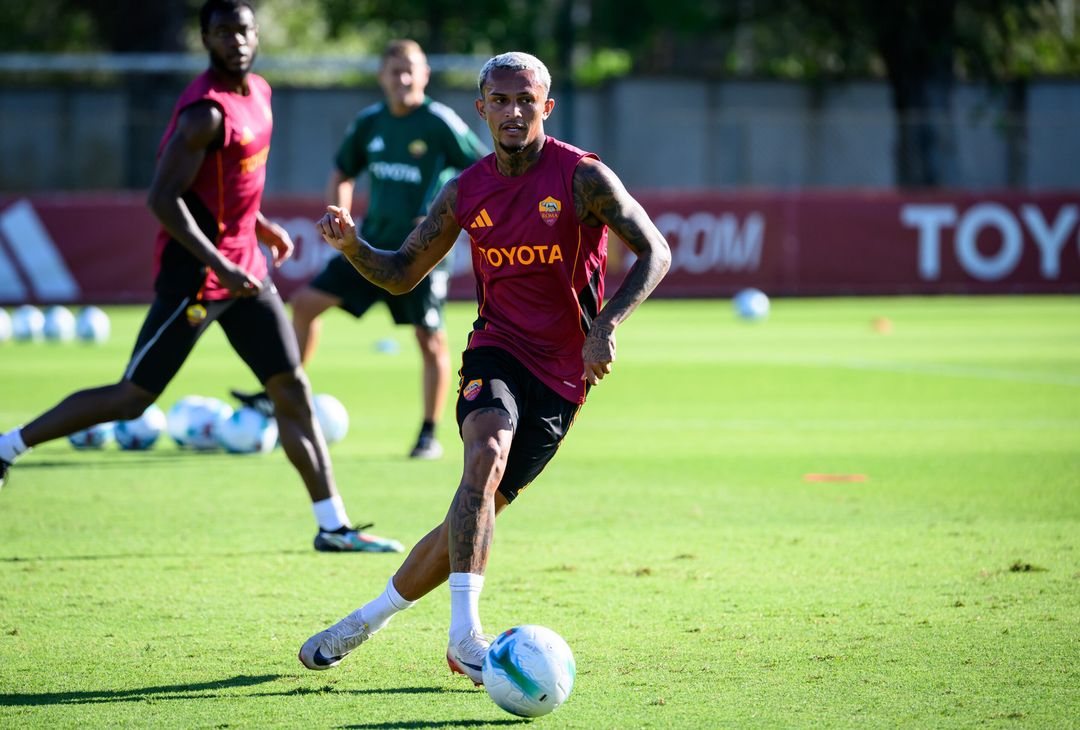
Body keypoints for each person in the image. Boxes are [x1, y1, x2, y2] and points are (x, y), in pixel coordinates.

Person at [297, 52, 671, 683]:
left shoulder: (583, 178)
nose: (513, 111)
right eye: (499, 100)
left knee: (466, 522)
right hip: (495, 349)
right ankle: (465, 635)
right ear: (482, 110)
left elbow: (654, 251)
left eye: (526, 99)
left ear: (546, 108)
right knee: (483, 454)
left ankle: (367, 618)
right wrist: (351, 245)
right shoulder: (465, 191)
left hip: (561, 377)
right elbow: (398, 273)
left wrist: (604, 327)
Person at [0, 0, 402, 555]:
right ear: (205, 39)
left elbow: (227, 187)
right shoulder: (203, 114)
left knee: (292, 391)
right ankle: (7, 446)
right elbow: (162, 199)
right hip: (198, 277)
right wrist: (220, 264)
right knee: (132, 398)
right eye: (222, 32)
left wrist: (258, 228)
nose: (236, 40)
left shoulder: (260, 93)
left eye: (244, 30)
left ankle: (333, 525)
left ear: (256, 35)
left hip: (248, 274)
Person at [233, 39, 488, 460]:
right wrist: (340, 215)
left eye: (410, 70)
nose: (402, 78)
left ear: (424, 74)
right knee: (305, 305)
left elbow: (480, 170)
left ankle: (428, 433)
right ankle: (280, 396)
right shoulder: (371, 122)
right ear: (381, 77)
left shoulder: (439, 122)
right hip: (367, 247)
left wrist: (444, 220)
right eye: (394, 70)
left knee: (430, 340)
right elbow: (342, 170)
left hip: (418, 252)